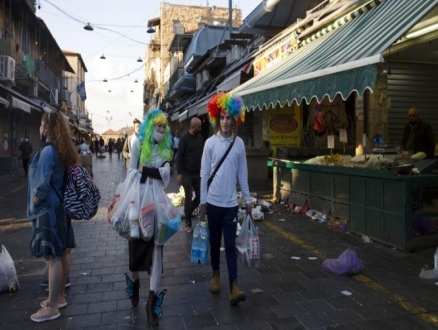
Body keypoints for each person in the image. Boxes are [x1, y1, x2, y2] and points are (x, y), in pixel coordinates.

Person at [199, 92, 251, 306]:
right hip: (212, 203)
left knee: (230, 246)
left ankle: (234, 286)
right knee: (214, 243)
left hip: (231, 205)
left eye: (229, 117)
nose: (225, 121)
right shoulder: (210, 144)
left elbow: (243, 175)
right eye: (221, 117)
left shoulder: (239, 144)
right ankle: (215, 275)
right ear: (216, 118)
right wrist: (202, 202)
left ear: (235, 119)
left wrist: (247, 201)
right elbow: (203, 174)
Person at [27, 111, 79, 322]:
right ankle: (59, 296)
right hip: (61, 208)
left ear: (47, 128)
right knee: (62, 252)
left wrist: (35, 202)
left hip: (48, 209)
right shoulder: (62, 148)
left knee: (53, 257)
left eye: (41, 124)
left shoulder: (48, 151)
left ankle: (51, 307)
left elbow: (41, 184)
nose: (40, 128)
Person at [124, 109, 172, 327]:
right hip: (138, 203)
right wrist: (152, 172)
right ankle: (134, 283)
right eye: (157, 126)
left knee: (157, 248)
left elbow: (166, 177)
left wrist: (151, 171)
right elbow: (131, 172)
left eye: (163, 127)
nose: (160, 130)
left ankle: (151, 301)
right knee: (134, 253)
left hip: (158, 205)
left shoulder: (165, 148)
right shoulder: (137, 144)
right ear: (150, 126)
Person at [176, 117, 204, 233]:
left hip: (198, 174)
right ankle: (188, 222)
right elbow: (179, 157)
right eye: (199, 127)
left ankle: (188, 212)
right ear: (193, 127)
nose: (200, 129)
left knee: (200, 196)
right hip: (186, 174)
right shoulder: (184, 139)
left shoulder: (200, 138)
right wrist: (179, 173)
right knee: (188, 198)